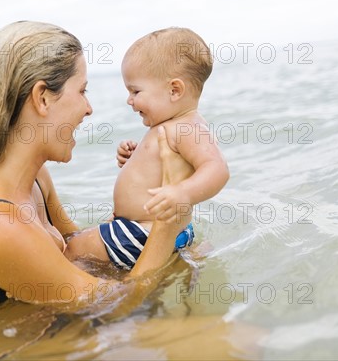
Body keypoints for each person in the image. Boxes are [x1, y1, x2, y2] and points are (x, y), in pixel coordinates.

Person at [0, 21, 191, 312]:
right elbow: (120, 299)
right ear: (42, 98)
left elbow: (78, 251)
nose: (88, 108)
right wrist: (168, 222)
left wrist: (138, 207)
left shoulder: (35, 180)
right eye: (82, 91)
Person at [65, 27, 229, 269]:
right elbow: (156, 168)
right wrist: (132, 159)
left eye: (135, 91)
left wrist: (183, 193)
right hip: (148, 231)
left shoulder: (188, 127)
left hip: (141, 232)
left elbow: (217, 168)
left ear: (174, 90)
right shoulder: (171, 126)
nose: (129, 100)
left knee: (73, 248)